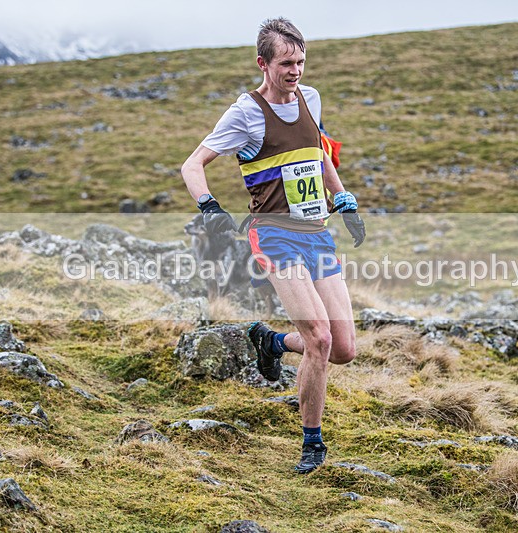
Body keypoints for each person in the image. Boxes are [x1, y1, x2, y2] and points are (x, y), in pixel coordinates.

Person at [180, 17, 365, 474]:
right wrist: (210, 208)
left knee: (343, 349)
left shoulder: (311, 98)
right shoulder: (245, 113)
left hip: (316, 234)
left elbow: (318, 153)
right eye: (287, 63)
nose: (296, 70)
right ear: (263, 63)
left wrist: (343, 200)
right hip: (274, 234)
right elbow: (193, 164)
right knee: (319, 339)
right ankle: (312, 442)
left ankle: (272, 342)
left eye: (301, 61)